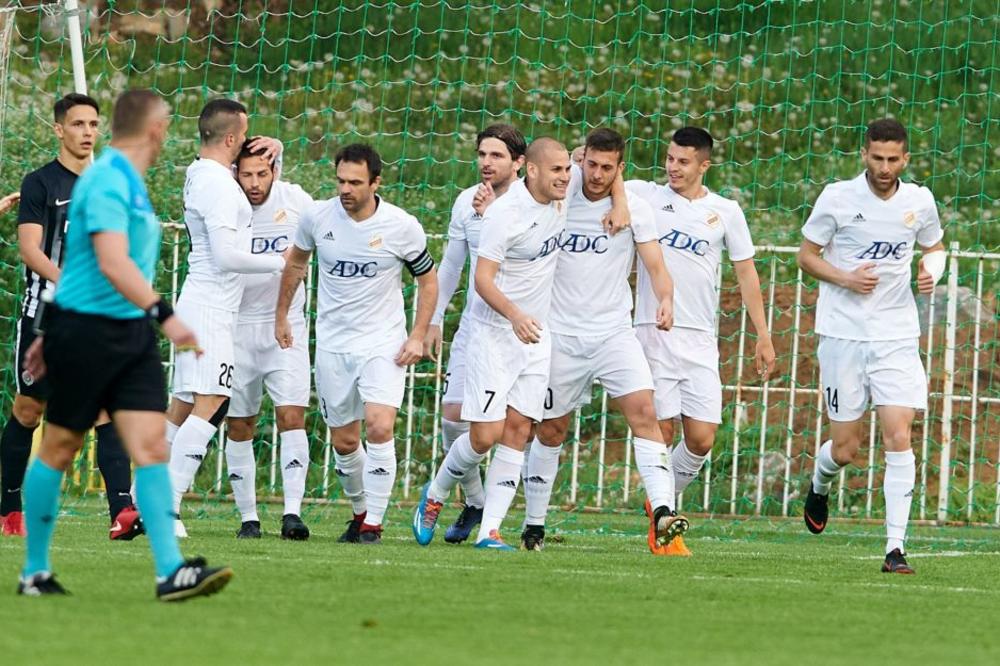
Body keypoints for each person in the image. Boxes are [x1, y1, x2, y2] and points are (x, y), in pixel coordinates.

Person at [17, 89, 232, 600]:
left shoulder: (129, 181)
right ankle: (35, 572)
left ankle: (170, 571)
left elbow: (81, 263)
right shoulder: (107, 180)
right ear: (154, 129)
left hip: (129, 335)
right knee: (60, 447)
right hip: (88, 334)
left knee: (151, 445)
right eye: (166, 126)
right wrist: (166, 315)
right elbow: (110, 262)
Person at [413, 137, 628, 550]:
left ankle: (490, 531)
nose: (567, 178)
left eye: (568, 170)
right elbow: (482, 280)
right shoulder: (504, 214)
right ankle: (435, 493)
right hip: (494, 334)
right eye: (557, 171)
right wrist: (514, 315)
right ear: (531, 170)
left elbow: (607, 162)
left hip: (535, 337)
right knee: (484, 436)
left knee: (518, 430)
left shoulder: (563, 191)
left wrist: (619, 201)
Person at [520, 128, 687, 553]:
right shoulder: (562, 191)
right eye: (591, 164)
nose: (596, 174)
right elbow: (530, 185)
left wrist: (666, 300)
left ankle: (663, 511)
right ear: (582, 160)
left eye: (607, 168)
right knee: (552, 429)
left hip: (614, 333)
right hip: (561, 334)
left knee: (645, 412)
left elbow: (656, 266)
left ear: (619, 169)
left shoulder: (635, 209)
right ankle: (533, 525)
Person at [798, 118, 945, 575]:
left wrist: (931, 271)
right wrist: (846, 278)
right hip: (842, 334)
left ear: (905, 159)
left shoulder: (919, 200)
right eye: (877, 158)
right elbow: (806, 256)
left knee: (899, 434)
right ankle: (820, 482)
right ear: (864, 155)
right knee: (846, 449)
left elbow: (935, 247)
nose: (884, 167)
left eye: (893, 159)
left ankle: (895, 548)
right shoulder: (837, 197)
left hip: (896, 336)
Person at [276, 144, 437, 545]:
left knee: (380, 425)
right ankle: (361, 512)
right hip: (333, 343)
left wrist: (418, 334)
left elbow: (428, 280)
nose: (345, 189)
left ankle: (373, 525)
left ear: (376, 183)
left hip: (383, 341)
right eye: (341, 181)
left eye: (355, 182)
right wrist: (281, 315)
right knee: (344, 441)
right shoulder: (317, 217)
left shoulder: (401, 226)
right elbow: (296, 262)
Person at [627, 126, 775, 556]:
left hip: (700, 339)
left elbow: (746, 273)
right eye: (670, 158)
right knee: (661, 429)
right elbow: (597, 177)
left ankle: (658, 500)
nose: (673, 167)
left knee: (702, 438)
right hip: (653, 330)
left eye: (683, 161)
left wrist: (763, 335)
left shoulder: (725, 211)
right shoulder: (644, 196)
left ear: (704, 165)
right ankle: (664, 518)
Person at [1, 93, 141, 541]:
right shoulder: (40, 183)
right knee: (29, 411)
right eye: (78, 124)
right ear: (59, 129)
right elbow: (29, 249)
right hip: (44, 314)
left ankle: (122, 511)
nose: (87, 132)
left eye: (94, 124)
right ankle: (8, 508)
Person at [166, 99, 285, 537]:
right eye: (245, 133)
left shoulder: (204, 172)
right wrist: (280, 262)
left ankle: (142, 495)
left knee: (183, 405)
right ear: (232, 138)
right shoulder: (217, 185)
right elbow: (226, 255)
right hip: (210, 307)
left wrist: (279, 149)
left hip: (203, 304)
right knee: (213, 400)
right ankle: (165, 505)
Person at [422, 123, 526, 544]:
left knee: (504, 428)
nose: (486, 162)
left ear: (519, 163)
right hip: (475, 326)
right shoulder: (466, 200)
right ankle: (475, 501)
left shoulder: (531, 201)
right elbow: (451, 265)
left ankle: (505, 519)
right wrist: (432, 320)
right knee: (452, 417)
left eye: (497, 155)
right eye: (482, 154)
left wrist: (492, 215)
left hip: (520, 330)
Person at [225, 139, 314, 540]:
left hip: (286, 325)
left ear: (276, 170)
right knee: (240, 422)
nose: (255, 183)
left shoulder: (296, 200)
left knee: (291, 416)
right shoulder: (226, 203)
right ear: (234, 173)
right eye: (247, 174)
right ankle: (249, 518)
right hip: (237, 326)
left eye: (262, 173)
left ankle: (292, 514)